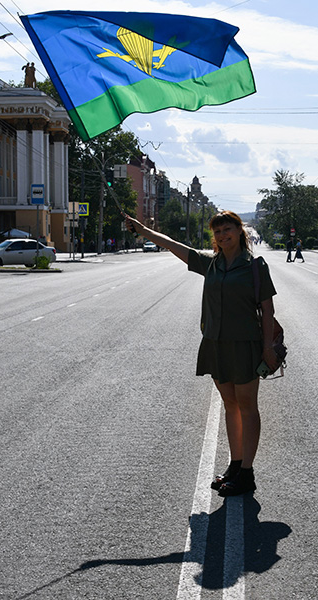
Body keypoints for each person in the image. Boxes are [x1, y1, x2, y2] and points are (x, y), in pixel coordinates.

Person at [124, 210, 278, 496]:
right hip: (216, 343)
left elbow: (267, 310)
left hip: (245, 345)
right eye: (217, 231)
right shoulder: (211, 264)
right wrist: (143, 231)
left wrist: (267, 347)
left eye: (227, 229)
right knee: (230, 406)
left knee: (247, 405)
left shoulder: (255, 266)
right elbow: (173, 245)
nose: (222, 235)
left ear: (239, 231)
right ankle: (235, 464)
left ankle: (247, 473)